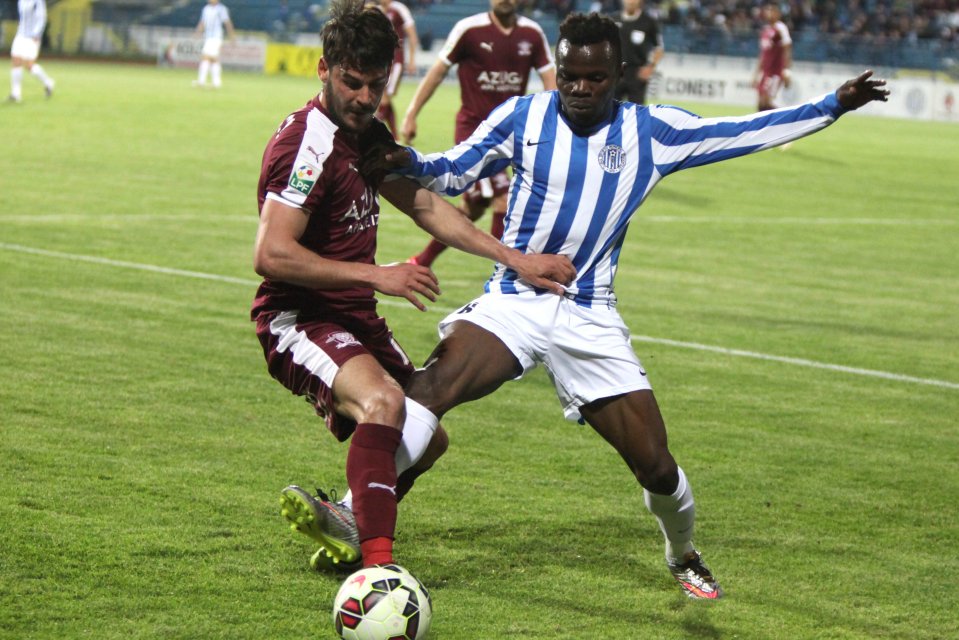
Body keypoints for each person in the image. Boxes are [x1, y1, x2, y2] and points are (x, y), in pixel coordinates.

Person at [353, 12, 888, 598]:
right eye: (570, 76)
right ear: (558, 67)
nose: (580, 89)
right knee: (432, 389)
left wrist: (831, 105)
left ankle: (682, 552)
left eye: (595, 78)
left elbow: (743, 130)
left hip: (589, 313)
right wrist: (410, 161)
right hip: (516, 300)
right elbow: (453, 171)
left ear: (618, 75)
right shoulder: (523, 116)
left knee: (656, 466)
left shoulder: (651, 134)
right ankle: (354, 512)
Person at [253, 0, 574, 573]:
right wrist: (379, 275)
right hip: (300, 318)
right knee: (385, 403)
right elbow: (272, 254)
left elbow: (424, 203)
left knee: (428, 439)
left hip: (354, 316)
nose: (363, 98)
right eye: (352, 83)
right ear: (323, 69)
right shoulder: (308, 144)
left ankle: (351, 524)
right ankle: (378, 570)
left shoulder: (366, 133)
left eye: (376, 85)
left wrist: (515, 259)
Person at [401, 0, 557, 269]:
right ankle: (505, 271)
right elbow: (438, 71)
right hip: (474, 134)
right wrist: (412, 112)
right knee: (502, 198)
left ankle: (421, 261)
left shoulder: (532, 33)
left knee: (475, 207)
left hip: (512, 135)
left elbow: (551, 81)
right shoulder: (469, 29)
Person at [374, 0, 419, 136]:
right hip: (381, 60)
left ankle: (376, 128)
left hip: (396, 60)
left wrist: (411, 60)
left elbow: (412, 35)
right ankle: (394, 136)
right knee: (384, 97)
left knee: (385, 96)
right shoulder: (377, 10)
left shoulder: (399, 9)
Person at [614, 0, 663, 105]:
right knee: (610, 110)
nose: (630, 2)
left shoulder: (649, 22)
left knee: (637, 112)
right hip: (615, 72)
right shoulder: (613, 19)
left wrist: (650, 67)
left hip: (637, 74)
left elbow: (659, 48)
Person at [8, 0, 54, 103]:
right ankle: (16, 94)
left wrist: (36, 34)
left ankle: (48, 82)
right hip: (21, 34)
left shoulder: (37, 1)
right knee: (16, 61)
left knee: (29, 65)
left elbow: (42, 18)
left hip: (32, 37)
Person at [753, 1, 792, 111]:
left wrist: (787, 70)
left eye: (772, 10)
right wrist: (756, 74)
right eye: (767, 10)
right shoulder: (765, 30)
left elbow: (787, 48)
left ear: (778, 13)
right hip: (765, 72)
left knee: (767, 101)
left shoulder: (781, 28)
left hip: (775, 72)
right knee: (761, 103)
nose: (769, 13)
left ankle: (783, 120)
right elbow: (763, 54)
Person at [193, 0, 236, 88]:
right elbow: (203, 22)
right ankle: (216, 82)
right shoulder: (206, 9)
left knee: (206, 57)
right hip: (208, 36)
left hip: (216, 36)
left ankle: (202, 81)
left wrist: (232, 36)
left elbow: (227, 23)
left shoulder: (221, 9)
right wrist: (198, 32)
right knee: (213, 59)